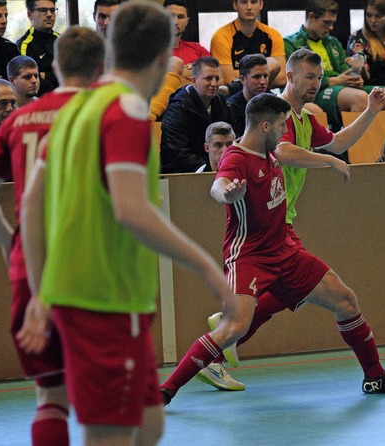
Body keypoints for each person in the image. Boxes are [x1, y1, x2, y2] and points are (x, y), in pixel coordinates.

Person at [17, 3, 234, 444]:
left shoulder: (75, 108)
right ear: (162, 61)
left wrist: (40, 293)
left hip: (100, 299)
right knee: (110, 434)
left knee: (149, 424)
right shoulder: (130, 112)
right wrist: (209, 268)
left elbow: (31, 205)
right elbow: (131, 210)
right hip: (102, 300)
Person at [159, 92, 385, 404]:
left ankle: (375, 377)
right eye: (282, 126)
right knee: (234, 328)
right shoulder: (236, 158)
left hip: (286, 251)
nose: (286, 132)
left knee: (346, 301)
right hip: (250, 257)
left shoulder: (270, 152)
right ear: (265, 126)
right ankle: (165, 390)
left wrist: (328, 159)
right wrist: (226, 193)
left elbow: (294, 154)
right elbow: (219, 185)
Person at [0, 26, 104, 446]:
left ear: (56, 66)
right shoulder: (100, 115)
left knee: (50, 398)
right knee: (106, 395)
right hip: (88, 263)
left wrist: (10, 242)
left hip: (32, 263)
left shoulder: (18, 120)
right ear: (100, 69)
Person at [284, 0, 385, 132]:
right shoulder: (291, 43)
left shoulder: (332, 42)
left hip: (345, 87)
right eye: (326, 22)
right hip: (318, 91)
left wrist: (356, 75)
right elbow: (297, 80)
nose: (331, 28)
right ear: (311, 16)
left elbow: (344, 68)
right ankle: (356, 151)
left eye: (333, 23)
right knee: (359, 98)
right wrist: (332, 81)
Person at [160, 56, 233, 173]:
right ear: (194, 81)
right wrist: (208, 168)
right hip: (181, 174)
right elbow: (175, 151)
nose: (214, 83)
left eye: (217, 78)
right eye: (208, 78)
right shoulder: (177, 109)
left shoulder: (223, 103)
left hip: (216, 170)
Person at [149, 0, 212, 121]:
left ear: (187, 21)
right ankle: (151, 117)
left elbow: (215, 78)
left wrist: (172, 75)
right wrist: (188, 73)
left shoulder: (198, 49)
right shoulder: (150, 49)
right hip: (163, 115)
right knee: (175, 63)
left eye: (180, 17)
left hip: (194, 111)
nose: (175, 21)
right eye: (170, 16)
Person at [211, 0, 287, 92]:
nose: (249, 7)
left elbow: (282, 78)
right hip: (234, 96)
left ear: (261, 4)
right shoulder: (221, 36)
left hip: (263, 94)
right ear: (235, 5)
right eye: (244, 2)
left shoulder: (273, 35)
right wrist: (265, 75)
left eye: (254, 2)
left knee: (273, 63)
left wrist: (242, 77)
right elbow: (228, 79)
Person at [16, 0, 60, 96]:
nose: (49, 15)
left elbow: (73, 74)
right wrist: (57, 76)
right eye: (43, 10)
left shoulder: (62, 40)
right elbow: (30, 83)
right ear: (29, 14)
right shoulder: (24, 45)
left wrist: (45, 75)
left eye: (52, 10)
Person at [227, 53, 269, 137]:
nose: (263, 82)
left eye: (265, 76)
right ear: (242, 79)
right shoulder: (232, 108)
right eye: (257, 77)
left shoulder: (274, 103)